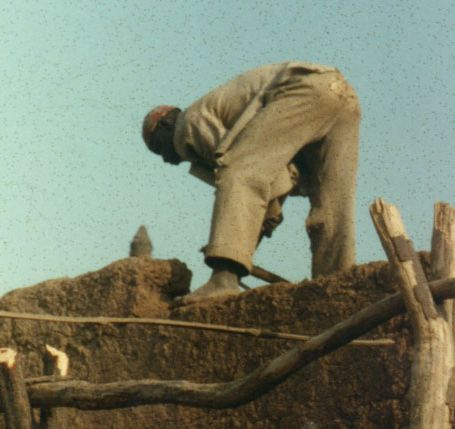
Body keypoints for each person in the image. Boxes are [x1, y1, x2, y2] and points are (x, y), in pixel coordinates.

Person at [142, 62, 361, 304]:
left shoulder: (186, 124)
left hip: (302, 88)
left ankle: (223, 280)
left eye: (157, 147)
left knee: (237, 169)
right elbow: (275, 168)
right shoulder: (212, 112)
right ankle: (339, 291)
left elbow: (240, 168)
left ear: (165, 126)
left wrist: (229, 252)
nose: (164, 158)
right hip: (341, 93)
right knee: (333, 208)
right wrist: (269, 211)